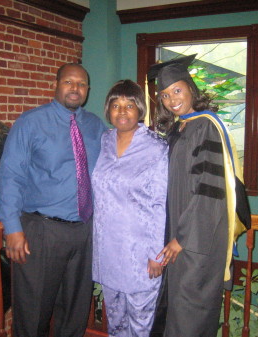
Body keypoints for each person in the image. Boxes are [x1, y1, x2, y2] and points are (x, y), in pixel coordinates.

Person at [0, 63, 107, 337]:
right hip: (41, 231)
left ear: (87, 90)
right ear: (56, 85)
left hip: (83, 231)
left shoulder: (95, 126)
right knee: (33, 313)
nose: (75, 89)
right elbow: (10, 175)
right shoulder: (30, 122)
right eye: (69, 82)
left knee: (75, 309)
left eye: (81, 84)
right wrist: (12, 228)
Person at [147, 55, 251, 337]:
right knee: (176, 312)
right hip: (179, 237)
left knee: (190, 315)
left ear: (191, 89)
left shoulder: (206, 126)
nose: (171, 100)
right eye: (165, 95)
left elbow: (209, 190)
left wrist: (182, 237)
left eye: (177, 90)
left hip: (197, 241)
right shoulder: (179, 128)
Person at [92, 79, 168, 337]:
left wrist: (157, 254)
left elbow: (160, 203)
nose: (122, 111)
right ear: (108, 110)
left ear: (140, 110)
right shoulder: (102, 142)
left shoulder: (156, 148)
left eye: (129, 105)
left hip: (140, 253)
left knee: (140, 323)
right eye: (116, 105)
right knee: (115, 320)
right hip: (108, 252)